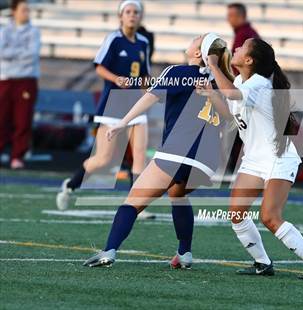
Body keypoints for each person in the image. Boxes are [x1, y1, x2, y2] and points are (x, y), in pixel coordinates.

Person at [82, 33, 234, 268]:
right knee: (178, 195)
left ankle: (108, 251)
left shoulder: (177, 72)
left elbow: (149, 98)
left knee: (132, 202)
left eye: (198, 38)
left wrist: (122, 122)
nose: (193, 38)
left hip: (177, 152)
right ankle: (184, 254)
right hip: (206, 161)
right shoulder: (223, 82)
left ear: (198, 53)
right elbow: (229, 119)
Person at [203, 38, 303, 279]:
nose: (236, 48)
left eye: (242, 48)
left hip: (279, 158)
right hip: (254, 159)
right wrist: (211, 94)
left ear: (249, 60)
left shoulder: (260, 83)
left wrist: (213, 65)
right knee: (237, 213)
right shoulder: (242, 81)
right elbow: (230, 117)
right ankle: (262, 263)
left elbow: (231, 92)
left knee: (270, 217)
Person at [56, 0, 152, 220]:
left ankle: (135, 206)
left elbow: (145, 76)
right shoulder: (114, 39)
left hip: (135, 103)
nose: (132, 16)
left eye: (136, 12)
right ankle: (70, 184)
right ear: (120, 16)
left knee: (139, 157)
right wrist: (116, 79)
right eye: (128, 12)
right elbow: (99, 66)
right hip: (113, 104)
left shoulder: (143, 42)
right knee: (104, 159)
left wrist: (153, 93)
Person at [0, 0, 40, 169]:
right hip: (5, 79)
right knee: (2, 117)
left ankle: (17, 155)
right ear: (14, 11)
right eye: (23, 10)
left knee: (22, 119)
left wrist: (11, 53)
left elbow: (31, 54)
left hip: (26, 79)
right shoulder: (4, 30)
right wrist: (18, 53)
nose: (26, 13)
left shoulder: (34, 31)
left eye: (27, 10)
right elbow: (1, 52)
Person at [225, 3, 260, 176]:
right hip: (245, 90)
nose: (228, 19)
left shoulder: (246, 36)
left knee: (239, 129)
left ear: (241, 16)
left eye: (231, 15)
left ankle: (235, 165)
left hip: (246, 92)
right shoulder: (245, 34)